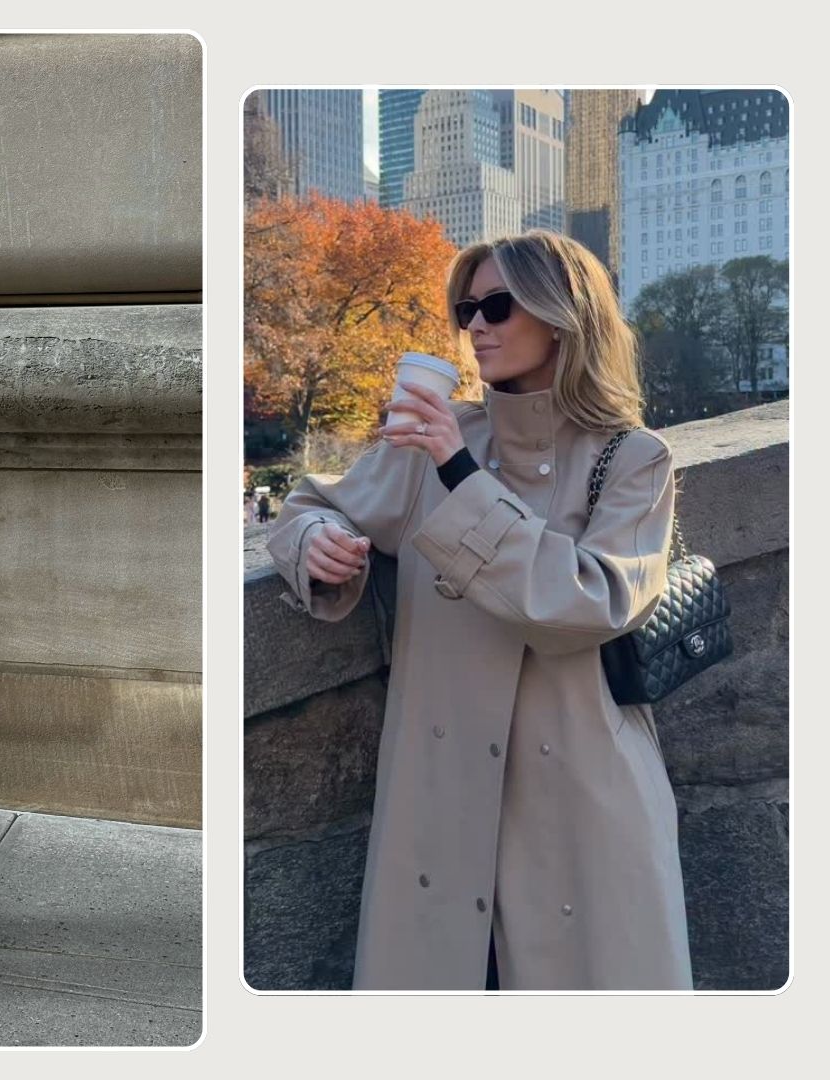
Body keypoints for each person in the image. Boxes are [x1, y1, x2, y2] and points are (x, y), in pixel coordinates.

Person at [267, 230, 691, 991]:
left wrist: (460, 474)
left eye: (499, 304)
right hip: (440, 804)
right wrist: (319, 546)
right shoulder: (434, 438)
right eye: (468, 310)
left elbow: (591, 600)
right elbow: (305, 506)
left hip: (584, 807)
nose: (477, 327)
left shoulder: (632, 459)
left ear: (564, 316)